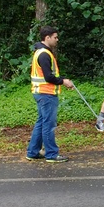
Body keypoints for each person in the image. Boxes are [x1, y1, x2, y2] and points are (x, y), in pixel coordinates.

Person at [27, 26, 74, 163]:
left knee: (41, 122)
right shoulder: (44, 54)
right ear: (47, 38)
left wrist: (61, 79)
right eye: (55, 37)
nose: (57, 40)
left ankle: (33, 152)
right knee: (48, 124)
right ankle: (51, 154)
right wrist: (63, 81)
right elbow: (48, 77)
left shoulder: (40, 52)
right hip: (46, 94)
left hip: (40, 92)